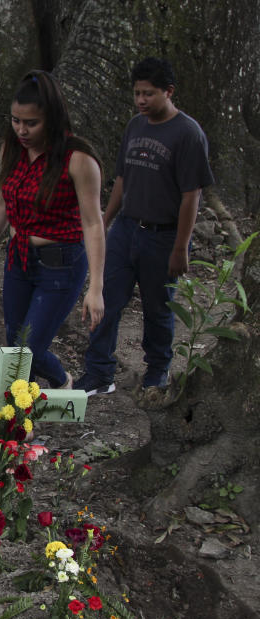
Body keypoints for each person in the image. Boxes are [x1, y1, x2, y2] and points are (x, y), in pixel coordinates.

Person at [74, 58, 214, 396]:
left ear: (169, 92)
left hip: (163, 235)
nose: (141, 100)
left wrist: (181, 247)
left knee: (158, 308)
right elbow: (122, 178)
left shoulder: (188, 134)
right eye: (137, 93)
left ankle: (157, 371)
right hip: (125, 229)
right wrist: (104, 222)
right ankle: (98, 371)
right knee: (106, 297)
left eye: (148, 94)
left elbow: (190, 196)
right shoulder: (135, 126)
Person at [0, 70, 105, 390]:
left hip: (61, 263)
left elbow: (94, 223)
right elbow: (2, 205)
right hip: (19, 259)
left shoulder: (78, 160)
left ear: (52, 119)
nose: (22, 130)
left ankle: (33, 404)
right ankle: (47, 390)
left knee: (28, 350)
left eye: (31, 123)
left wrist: (96, 287)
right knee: (15, 348)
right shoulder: (11, 149)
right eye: (16, 121)